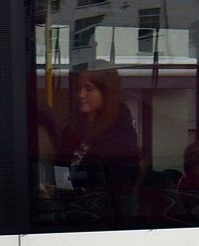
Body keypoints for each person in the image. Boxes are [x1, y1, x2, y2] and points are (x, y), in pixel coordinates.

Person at [50, 61, 140, 221]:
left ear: (106, 92)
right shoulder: (73, 128)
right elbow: (60, 164)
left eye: (88, 88)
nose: (81, 95)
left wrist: (76, 187)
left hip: (102, 221)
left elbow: (118, 186)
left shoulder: (121, 134)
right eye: (79, 88)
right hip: (69, 213)